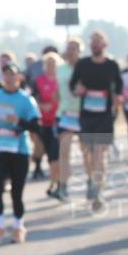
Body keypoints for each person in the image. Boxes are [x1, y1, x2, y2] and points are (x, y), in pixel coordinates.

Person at [0, 62, 41, 245]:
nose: (9, 78)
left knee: (17, 192)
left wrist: (19, 121)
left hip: (19, 150)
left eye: (12, 75)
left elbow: (35, 125)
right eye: (5, 75)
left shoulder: (26, 100)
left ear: (19, 78)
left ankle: (18, 226)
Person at [70, 30, 125, 212]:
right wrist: (77, 89)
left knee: (100, 153)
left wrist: (117, 96)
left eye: (99, 42)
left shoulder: (111, 65)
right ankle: (90, 178)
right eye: (93, 42)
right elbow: (73, 84)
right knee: (88, 153)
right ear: (90, 45)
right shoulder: (83, 64)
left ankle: (98, 189)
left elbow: (118, 85)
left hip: (104, 115)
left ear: (105, 45)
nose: (96, 45)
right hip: (86, 114)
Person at [55, 38, 84, 202]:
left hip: (85, 114)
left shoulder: (86, 67)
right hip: (66, 114)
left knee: (87, 152)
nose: (71, 51)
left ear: (80, 51)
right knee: (63, 151)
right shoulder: (61, 69)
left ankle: (91, 184)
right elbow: (57, 91)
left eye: (74, 48)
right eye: (69, 48)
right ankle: (63, 186)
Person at [33, 53, 62, 197]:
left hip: (59, 121)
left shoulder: (62, 80)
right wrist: (41, 106)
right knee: (50, 155)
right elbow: (32, 98)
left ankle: (56, 183)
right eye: (48, 63)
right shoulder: (39, 81)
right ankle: (56, 181)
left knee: (56, 153)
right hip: (44, 122)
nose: (51, 66)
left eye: (53, 63)